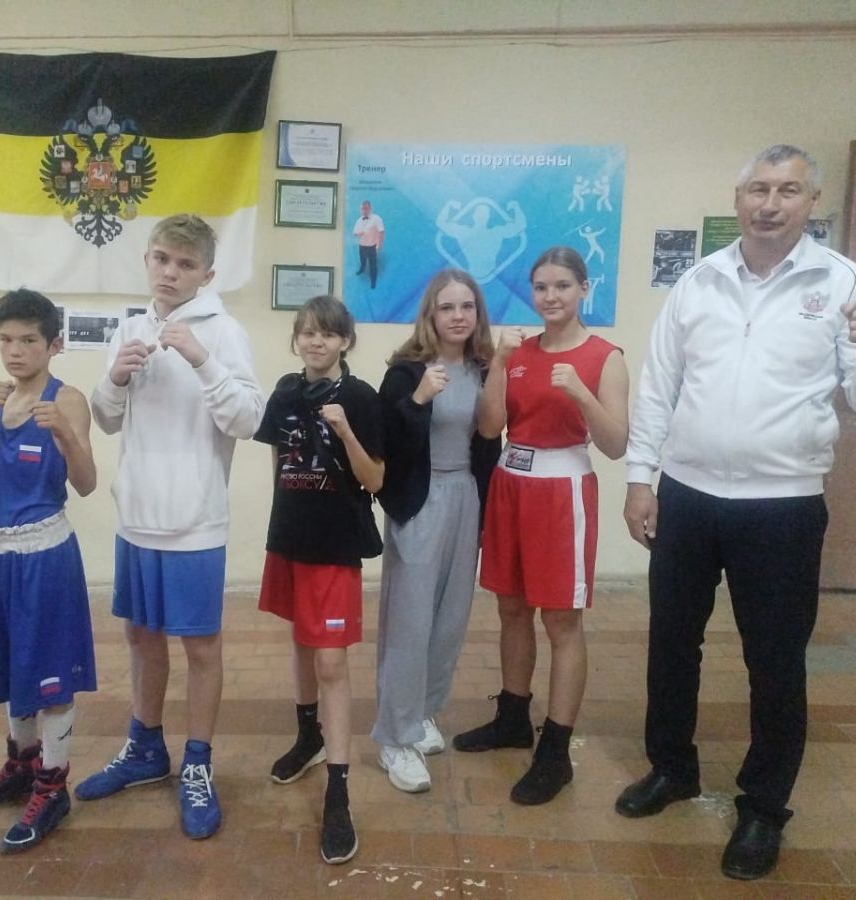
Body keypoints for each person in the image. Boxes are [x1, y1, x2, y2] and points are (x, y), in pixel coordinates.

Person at [616, 145, 856, 881]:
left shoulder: (844, 283)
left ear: (811, 203)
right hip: (686, 495)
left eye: (787, 190)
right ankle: (672, 767)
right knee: (671, 643)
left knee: (774, 660)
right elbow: (658, 386)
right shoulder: (699, 281)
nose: (769, 204)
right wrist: (641, 479)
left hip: (783, 505)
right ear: (738, 197)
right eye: (757, 189)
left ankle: (764, 806)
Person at [77, 214, 263, 840]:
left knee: (201, 648)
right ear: (148, 260)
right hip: (137, 516)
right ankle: (145, 747)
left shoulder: (225, 332)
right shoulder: (130, 328)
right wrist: (114, 376)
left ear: (206, 274)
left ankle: (198, 763)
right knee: (140, 636)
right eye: (161, 258)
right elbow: (105, 418)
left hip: (194, 522)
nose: (169, 272)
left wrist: (202, 361)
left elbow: (248, 419)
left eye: (184, 264)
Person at [457, 246, 628, 806]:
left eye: (562, 286)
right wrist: (499, 365)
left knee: (561, 620)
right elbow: (490, 429)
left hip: (563, 492)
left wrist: (580, 392)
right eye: (541, 287)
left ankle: (555, 751)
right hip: (511, 482)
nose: (550, 296)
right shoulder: (519, 352)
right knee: (510, 608)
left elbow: (615, 443)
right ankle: (512, 717)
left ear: (583, 289)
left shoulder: (604, 356)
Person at [0, 289, 98, 854]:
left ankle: (53, 785)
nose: (15, 351)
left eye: (28, 340)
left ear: (53, 344)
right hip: (0, 556)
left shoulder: (69, 399)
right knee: (12, 665)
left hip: (47, 556)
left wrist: (63, 432)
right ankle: (22, 763)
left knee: (51, 674)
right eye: (6, 340)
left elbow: (86, 482)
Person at [258, 295, 384, 864]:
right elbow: (278, 460)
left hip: (335, 544)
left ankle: (338, 789)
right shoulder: (285, 391)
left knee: (331, 661)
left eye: (327, 334)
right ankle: (308, 735)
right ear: (297, 338)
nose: (316, 341)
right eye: (308, 332)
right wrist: (282, 521)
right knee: (301, 640)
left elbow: (375, 479)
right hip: (290, 536)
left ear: (344, 341)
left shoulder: (360, 397)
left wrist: (346, 431)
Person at [370, 269, 501, 794]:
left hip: (466, 494)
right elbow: (385, 443)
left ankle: (421, 711)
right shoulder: (406, 371)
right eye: (447, 307)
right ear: (431, 313)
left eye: (467, 307)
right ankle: (393, 737)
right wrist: (419, 400)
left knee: (449, 620)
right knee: (410, 622)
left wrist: (487, 513)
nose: (458, 316)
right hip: (420, 501)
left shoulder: (483, 368)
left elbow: (490, 439)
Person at [352, 200, 385, 288]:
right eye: (362, 209)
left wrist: (380, 244)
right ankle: (362, 269)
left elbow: (381, 231)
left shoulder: (377, 219)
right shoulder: (359, 220)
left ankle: (373, 281)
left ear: (370, 208)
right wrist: (359, 233)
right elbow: (354, 233)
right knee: (362, 260)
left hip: (372, 246)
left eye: (366, 208)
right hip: (362, 245)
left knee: (373, 265)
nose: (364, 210)